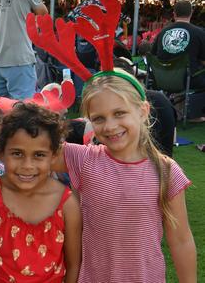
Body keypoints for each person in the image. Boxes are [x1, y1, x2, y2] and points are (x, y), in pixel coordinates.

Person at [46, 72, 194, 282]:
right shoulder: (84, 159)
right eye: (98, 118)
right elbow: (29, 150)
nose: (110, 126)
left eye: (119, 113)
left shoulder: (166, 171)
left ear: (143, 111)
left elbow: (181, 240)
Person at [0, 102, 81, 283]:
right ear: (1, 153)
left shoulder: (68, 203)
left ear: (54, 156)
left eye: (39, 155)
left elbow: (74, 265)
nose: (27, 166)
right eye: (17, 153)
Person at [151, 0, 205, 89]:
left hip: (162, 79)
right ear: (191, 13)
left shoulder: (163, 32)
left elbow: (154, 55)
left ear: (174, 14)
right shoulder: (199, 33)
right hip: (189, 81)